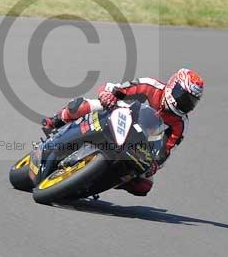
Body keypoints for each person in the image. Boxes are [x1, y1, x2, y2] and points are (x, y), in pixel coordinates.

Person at [41, 68, 204, 196]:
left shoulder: (180, 124)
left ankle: (96, 181)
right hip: (116, 115)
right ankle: (56, 120)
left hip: (136, 146)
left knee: (144, 185)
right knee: (84, 105)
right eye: (182, 96)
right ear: (172, 85)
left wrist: (155, 164)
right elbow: (114, 88)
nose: (184, 103)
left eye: (190, 102)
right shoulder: (150, 86)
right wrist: (107, 95)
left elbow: (165, 151)